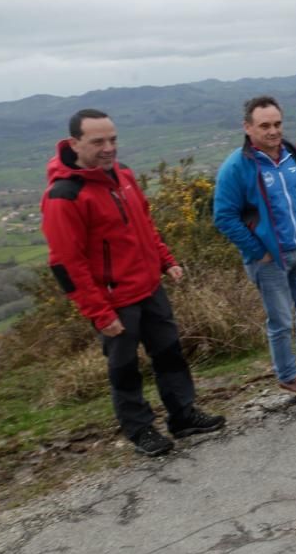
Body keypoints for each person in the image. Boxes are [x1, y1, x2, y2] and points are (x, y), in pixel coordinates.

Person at [41, 109, 225, 457]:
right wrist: (99, 312)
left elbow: (144, 225)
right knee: (124, 370)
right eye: (98, 141)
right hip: (114, 301)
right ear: (74, 144)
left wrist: (165, 260)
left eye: (112, 139)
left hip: (149, 287)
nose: (109, 147)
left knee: (170, 354)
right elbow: (66, 264)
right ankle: (140, 431)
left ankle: (183, 415)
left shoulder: (121, 175)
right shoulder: (65, 195)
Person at [213, 95, 296, 396]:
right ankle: (287, 374)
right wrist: (259, 251)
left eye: (277, 124)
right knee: (280, 319)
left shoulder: (294, 155)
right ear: (247, 127)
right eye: (264, 125)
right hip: (268, 258)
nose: (273, 131)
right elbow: (224, 216)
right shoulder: (237, 166)